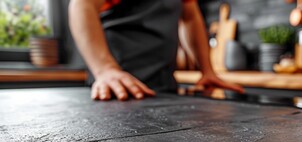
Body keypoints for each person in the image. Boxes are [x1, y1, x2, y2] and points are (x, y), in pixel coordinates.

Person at [69, 0, 244, 101]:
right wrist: (106, 69)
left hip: (164, 86)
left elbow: (190, 17)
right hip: (117, 88)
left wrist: (207, 71)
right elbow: (82, 5)